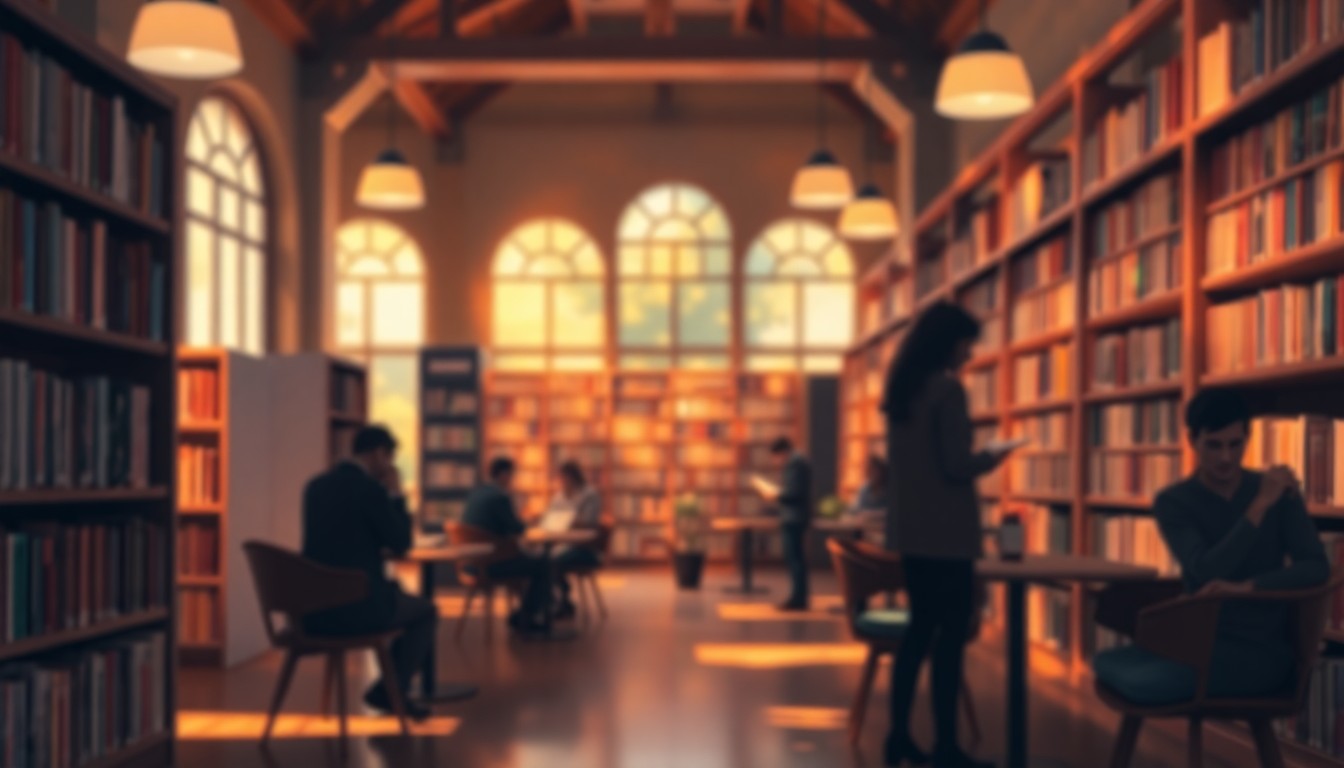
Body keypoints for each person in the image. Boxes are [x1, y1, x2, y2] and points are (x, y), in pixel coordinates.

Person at [881, 301, 1014, 768]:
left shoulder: (902, 390)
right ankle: (946, 747)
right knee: (950, 642)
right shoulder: (947, 391)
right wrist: (993, 457)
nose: (969, 354)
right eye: (966, 344)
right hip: (948, 537)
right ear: (948, 343)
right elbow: (957, 465)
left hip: (913, 535)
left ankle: (897, 736)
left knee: (918, 635)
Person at [1147, 388, 1328, 697]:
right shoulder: (1173, 502)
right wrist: (1258, 507)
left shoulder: (1276, 492)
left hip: (1265, 644)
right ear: (1192, 442)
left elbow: (1316, 566)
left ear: (1248, 438)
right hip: (1199, 640)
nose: (1226, 457)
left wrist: (1248, 587)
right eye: (1213, 446)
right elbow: (1205, 569)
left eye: (1235, 444)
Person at [301, 425, 434, 720]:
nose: (390, 466)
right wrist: (397, 494)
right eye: (389, 458)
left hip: (312, 612)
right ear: (378, 454)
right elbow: (401, 543)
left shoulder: (314, 487)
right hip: (356, 611)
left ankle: (389, 689)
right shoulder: (370, 490)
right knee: (425, 611)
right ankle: (390, 691)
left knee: (395, 592)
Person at [461, 456, 554, 635]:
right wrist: (529, 523)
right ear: (504, 475)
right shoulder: (499, 497)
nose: (512, 480)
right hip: (490, 565)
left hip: (471, 564)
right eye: (512, 475)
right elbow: (517, 528)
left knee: (531, 560)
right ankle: (526, 617)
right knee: (543, 564)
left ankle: (526, 614)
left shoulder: (477, 493)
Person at [753, 436, 813, 611]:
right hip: (795, 516)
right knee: (796, 558)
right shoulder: (799, 462)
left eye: (776, 457)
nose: (776, 461)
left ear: (782, 452)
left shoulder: (796, 464)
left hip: (794, 517)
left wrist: (775, 495)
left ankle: (799, 598)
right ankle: (799, 596)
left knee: (795, 559)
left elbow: (794, 493)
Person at [544, 461, 604, 620]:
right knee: (540, 559)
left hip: (583, 547)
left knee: (552, 561)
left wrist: (568, 522)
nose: (562, 481)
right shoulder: (559, 496)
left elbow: (589, 523)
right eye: (560, 478)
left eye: (565, 478)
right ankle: (553, 601)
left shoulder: (589, 495)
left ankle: (562, 599)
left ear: (574, 477)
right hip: (560, 542)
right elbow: (551, 518)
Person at [847, 454, 888, 534]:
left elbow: (891, 513)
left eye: (874, 470)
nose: (870, 473)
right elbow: (855, 510)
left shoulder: (888, 490)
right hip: (866, 531)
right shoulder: (865, 489)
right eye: (868, 470)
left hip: (883, 532)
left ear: (881, 471)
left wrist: (869, 515)